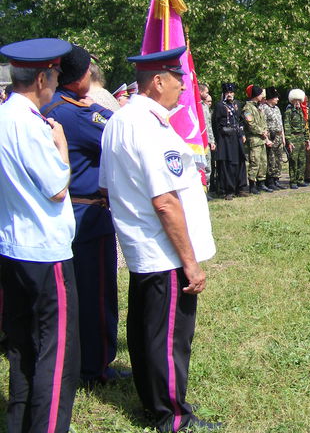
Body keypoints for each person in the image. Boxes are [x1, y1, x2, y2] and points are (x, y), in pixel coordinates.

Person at [99, 46, 220, 432]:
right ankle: (172, 414)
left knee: (147, 330)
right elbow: (166, 202)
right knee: (170, 337)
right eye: (179, 79)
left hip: (143, 247)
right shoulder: (147, 124)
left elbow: (107, 186)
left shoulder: (122, 118)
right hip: (164, 251)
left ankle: (155, 401)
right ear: (158, 81)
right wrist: (190, 262)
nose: (185, 88)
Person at [0, 38, 80, 433]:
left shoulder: (2, 116)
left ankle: (18, 422)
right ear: (43, 77)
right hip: (45, 252)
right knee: (57, 352)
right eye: (54, 76)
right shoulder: (31, 124)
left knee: (22, 348)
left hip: (12, 246)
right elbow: (56, 187)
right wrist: (62, 148)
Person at [40, 43, 124, 387]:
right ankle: (95, 366)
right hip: (89, 216)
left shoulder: (49, 106)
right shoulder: (77, 113)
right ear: (85, 75)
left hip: (65, 214)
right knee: (98, 293)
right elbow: (120, 132)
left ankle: (82, 360)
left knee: (73, 293)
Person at [212, 83, 248, 199]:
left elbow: (241, 121)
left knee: (240, 161)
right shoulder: (219, 106)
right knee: (227, 164)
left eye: (231, 93)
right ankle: (228, 190)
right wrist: (217, 139)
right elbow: (216, 124)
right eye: (227, 93)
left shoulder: (238, 104)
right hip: (225, 138)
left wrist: (242, 133)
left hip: (236, 137)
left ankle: (240, 188)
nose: (229, 95)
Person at [242, 85, 269, 195]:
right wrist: (261, 131)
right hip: (254, 139)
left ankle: (261, 183)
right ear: (255, 95)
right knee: (255, 162)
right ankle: (252, 185)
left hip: (261, 139)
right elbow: (250, 124)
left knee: (263, 162)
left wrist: (265, 131)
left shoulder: (258, 107)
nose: (262, 96)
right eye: (260, 94)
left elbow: (263, 121)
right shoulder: (248, 108)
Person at [284, 89, 310, 189]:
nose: (297, 103)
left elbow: (304, 126)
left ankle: (300, 179)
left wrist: (307, 138)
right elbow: (287, 126)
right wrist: (289, 141)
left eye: (299, 101)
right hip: (293, 137)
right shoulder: (289, 111)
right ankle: (293, 181)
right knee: (293, 160)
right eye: (295, 101)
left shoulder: (300, 111)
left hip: (301, 137)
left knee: (302, 160)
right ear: (292, 101)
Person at [262, 87, 286, 190]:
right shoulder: (264, 108)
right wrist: (267, 139)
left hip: (279, 136)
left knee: (278, 159)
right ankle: (270, 180)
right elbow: (264, 125)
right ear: (270, 98)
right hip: (271, 136)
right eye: (275, 97)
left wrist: (283, 138)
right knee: (271, 159)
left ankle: (276, 179)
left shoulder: (277, 109)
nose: (277, 99)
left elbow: (281, 124)